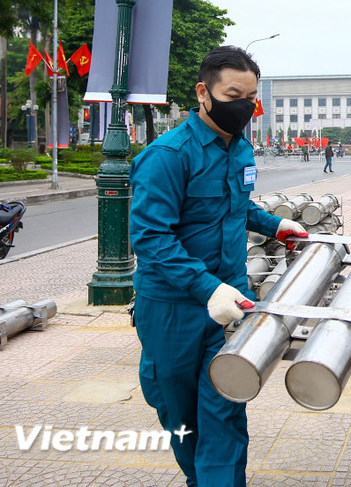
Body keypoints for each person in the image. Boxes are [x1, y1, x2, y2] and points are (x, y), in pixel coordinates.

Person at [129, 46, 307, 487]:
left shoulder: (240, 149)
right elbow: (151, 238)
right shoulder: (169, 155)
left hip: (232, 304)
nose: (243, 107)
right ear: (203, 92)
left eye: (250, 98)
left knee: (225, 409)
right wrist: (207, 288)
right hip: (173, 309)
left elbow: (236, 208)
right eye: (233, 96)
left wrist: (275, 224)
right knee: (179, 414)